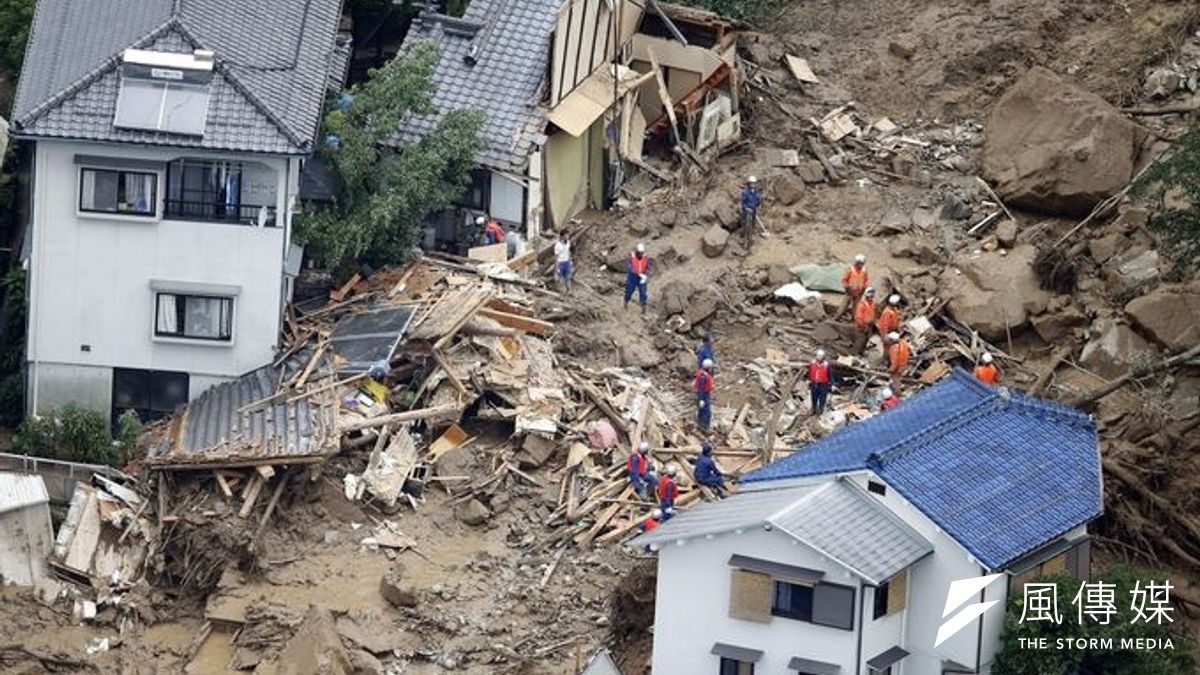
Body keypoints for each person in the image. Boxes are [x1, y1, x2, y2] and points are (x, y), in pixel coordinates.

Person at [837, 254, 870, 319]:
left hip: (859, 292)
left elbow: (866, 280)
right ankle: (837, 316)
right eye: (860, 264)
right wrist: (847, 287)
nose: (861, 265)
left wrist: (864, 287)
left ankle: (854, 318)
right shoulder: (850, 269)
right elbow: (844, 280)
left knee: (856, 306)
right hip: (850, 291)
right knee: (844, 305)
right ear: (857, 263)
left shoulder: (864, 271)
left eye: (862, 264)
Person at [805, 349, 833, 416]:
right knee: (814, 397)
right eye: (818, 356)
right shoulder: (813, 363)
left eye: (821, 356)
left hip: (823, 384)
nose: (819, 357)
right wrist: (809, 380)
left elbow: (830, 375)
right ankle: (814, 409)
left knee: (822, 398)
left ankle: (821, 410)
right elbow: (810, 372)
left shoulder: (827, 365)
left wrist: (831, 384)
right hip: (814, 383)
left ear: (823, 357)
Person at [624, 243, 650, 312]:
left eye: (642, 253)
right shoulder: (631, 258)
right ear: (636, 252)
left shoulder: (646, 258)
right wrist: (636, 272)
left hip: (642, 277)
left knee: (643, 292)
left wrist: (645, 275)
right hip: (633, 277)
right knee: (629, 290)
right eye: (639, 253)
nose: (641, 255)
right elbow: (629, 267)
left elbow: (648, 267)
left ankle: (643, 307)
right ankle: (626, 301)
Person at [851, 287, 877, 354]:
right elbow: (858, 317)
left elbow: (873, 312)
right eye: (870, 297)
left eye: (872, 296)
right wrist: (861, 326)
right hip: (862, 325)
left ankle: (862, 351)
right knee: (860, 340)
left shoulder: (872, 303)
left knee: (866, 339)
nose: (871, 298)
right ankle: (855, 353)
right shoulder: (861, 304)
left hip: (869, 325)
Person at [739, 176, 762, 247]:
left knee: (752, 224)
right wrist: (746, 208)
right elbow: (742, 202)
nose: (753, 185)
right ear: (749, 184)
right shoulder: (745, 192)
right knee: (746, 225)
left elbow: (758, 201)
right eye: (752, 183)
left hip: (753, 210)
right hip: (747, 212)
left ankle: (751, 237)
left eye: (754, 183)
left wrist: (758, 205)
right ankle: (744, 240)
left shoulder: (756, 192)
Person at [694, 358, 715, 430]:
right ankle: (704, 426)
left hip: (704, 394)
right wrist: (701, 399)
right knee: (706, 411)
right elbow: (701, 388)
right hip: (704, 395)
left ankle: (701, 425)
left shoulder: (702, 373)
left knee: (702, 410)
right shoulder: (703, 376)